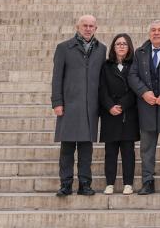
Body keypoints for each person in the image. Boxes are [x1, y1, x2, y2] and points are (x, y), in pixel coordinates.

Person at [52, 15, 104, 197]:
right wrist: (57, 102)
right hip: (70, 106)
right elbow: (57, 78)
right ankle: (66, 184)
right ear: (77, 27)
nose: (88, 29)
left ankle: (85, 184)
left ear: (96, 28)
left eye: (91, 26)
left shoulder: (102, 49)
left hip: (90, 107)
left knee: (86, 149)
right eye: (85, 26)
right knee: (67, 148)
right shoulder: (64, 48)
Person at [128, 20, 160, 195]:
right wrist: (144, 92)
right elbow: (132, 75)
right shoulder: (140, 52)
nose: (156, 33)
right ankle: (147, 181)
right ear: (149, 33)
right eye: (153, 30)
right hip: (146, 107)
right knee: (146, 149)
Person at [99, 33, 139, 194]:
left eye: (124, 44)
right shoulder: (106, 66)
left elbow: (135, 88)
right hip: (110, 113)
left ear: (129, 47)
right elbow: (102, 88)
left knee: (128, 150)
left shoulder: (134, 65)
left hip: (128, 113)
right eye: (118, 44)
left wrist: (122, 105)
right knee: (110, 151)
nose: (121, 46)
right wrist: (110, 106)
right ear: (113, 47)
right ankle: (109, 183)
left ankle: (128, 183)